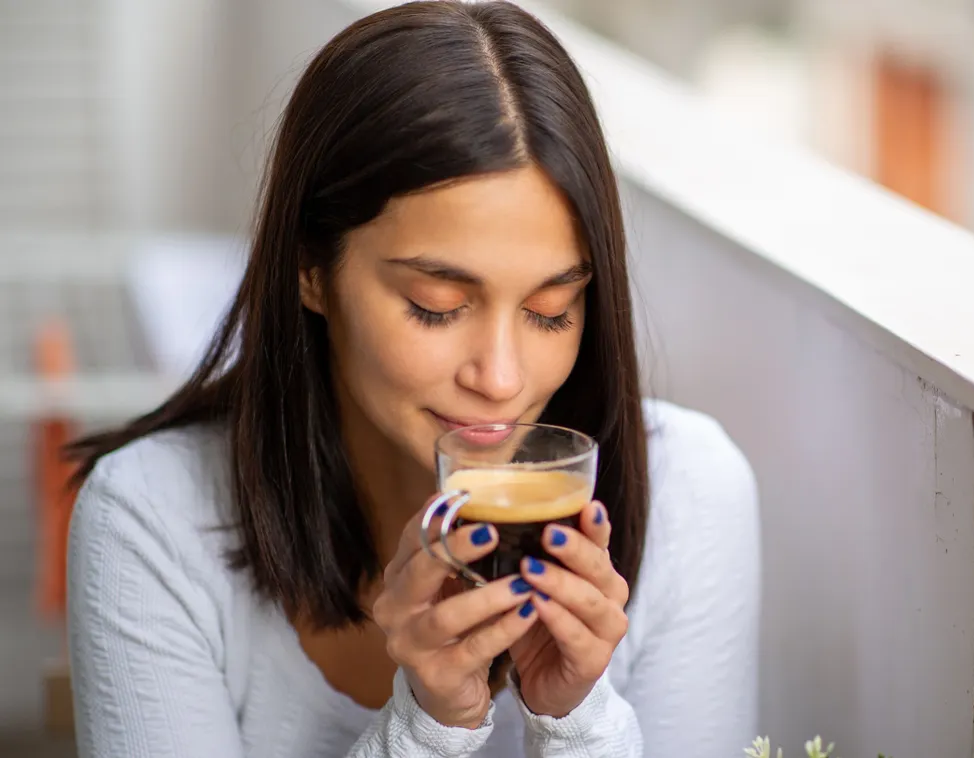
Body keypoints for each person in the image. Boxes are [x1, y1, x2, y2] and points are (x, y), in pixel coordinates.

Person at [64, 2, 760, 756]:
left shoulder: (690, 492)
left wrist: (580, 721)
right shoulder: (152, 518)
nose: (500, 379)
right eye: (436, 307)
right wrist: (428, 729)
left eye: (551, 311)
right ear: (310, 269)